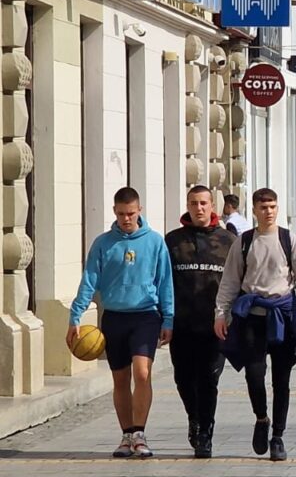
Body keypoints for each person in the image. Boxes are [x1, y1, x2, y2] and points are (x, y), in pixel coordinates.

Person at [214, 188, 296, 462]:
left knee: (282, 380)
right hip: (253, 317)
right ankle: (261, 417)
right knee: (254, 374)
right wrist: (220, 313)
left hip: (283, 316)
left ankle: (278, 436)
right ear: (254, 210)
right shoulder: (244, 242)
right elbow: (229, 281)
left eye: (273, 206)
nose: (269, 212)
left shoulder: (289, 240)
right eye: (263, 207)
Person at [69, 186, 174, 459]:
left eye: (130, 213)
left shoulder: (154, 241)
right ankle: (126, 435)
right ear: (114, 212)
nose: (126, 219)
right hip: (114, 316)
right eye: (120, 214)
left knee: (142, 372)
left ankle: (140, 433)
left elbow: (165, 282)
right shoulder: (104, 243)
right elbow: (89, 280)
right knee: (120, 379)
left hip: (146, 315)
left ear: (139, 211)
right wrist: (75, 316)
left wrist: (169, 317)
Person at [165, 185, 235, 458]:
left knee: (208, 380)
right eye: (194, 203)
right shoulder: (172, 241)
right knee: (183, 379)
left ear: (212, 205)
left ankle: (205, 431)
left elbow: (239, 281)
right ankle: (194, 418)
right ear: (188, 205)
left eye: (204, 203)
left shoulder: (229, 241)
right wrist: (165, 319)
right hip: (182, 325)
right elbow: (162, 282)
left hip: (215, 326)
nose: (199, 208)